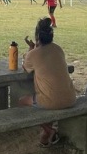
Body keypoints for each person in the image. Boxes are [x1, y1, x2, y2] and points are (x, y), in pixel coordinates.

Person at [19, 17, 77, 147]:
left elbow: (25, 69)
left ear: (37, 37)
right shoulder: (58, 49)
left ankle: (48, 130)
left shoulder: (33, 54)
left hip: (51, 101)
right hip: (71, 98)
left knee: (22, 101)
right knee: (48, 96)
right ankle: (46, 134)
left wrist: (31, 49)